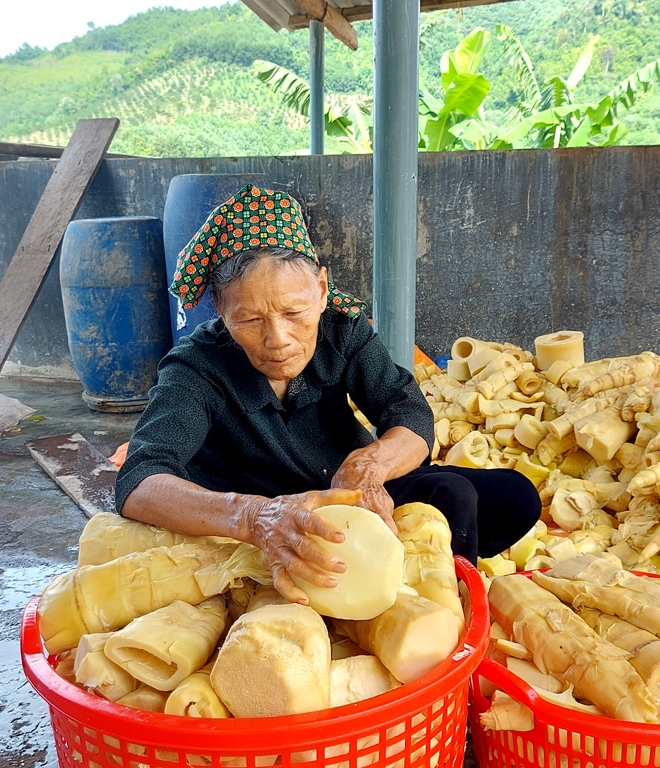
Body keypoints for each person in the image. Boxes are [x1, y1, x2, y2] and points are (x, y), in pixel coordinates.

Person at [115, 184, 540, 604]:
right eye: (248, 319)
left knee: (505, 496)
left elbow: (407, 412)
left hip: (348, 490)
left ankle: (427, 589)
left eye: (294, 312)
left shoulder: (343, 330)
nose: (277, 339)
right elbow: (139, 483)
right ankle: (423, 605)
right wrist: (253, 516)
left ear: (320, 290)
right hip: (271, 515)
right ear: (220, 309)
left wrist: (369, 464)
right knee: (446, 502)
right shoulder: (196, 366)